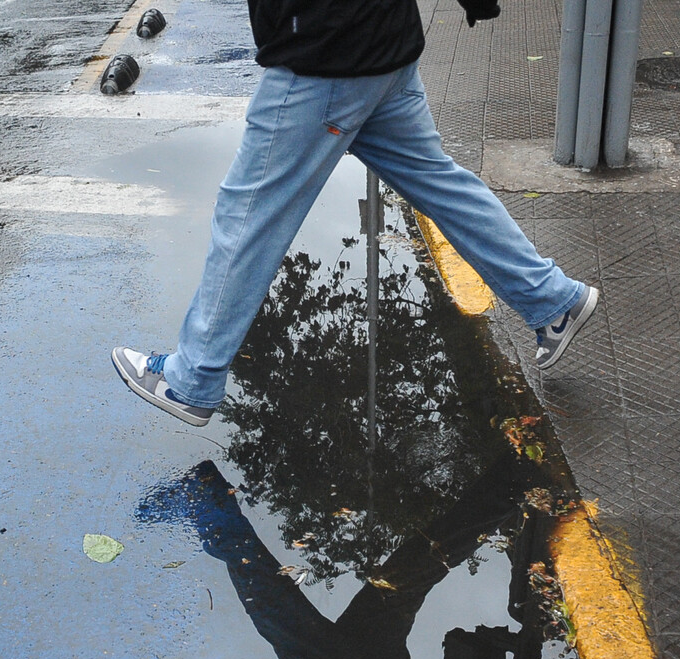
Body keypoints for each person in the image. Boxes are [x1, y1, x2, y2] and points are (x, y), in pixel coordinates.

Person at [113, 0, 599, 427]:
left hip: (323, 53)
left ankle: (191, 379)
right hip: (387, 44)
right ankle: (552, 300)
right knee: (443, 184)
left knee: (248, 217)